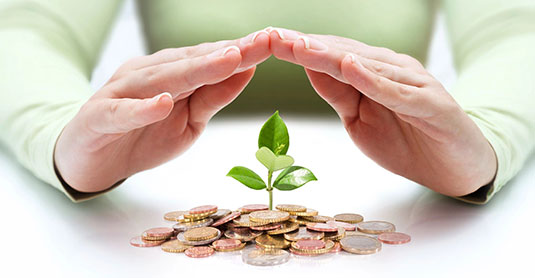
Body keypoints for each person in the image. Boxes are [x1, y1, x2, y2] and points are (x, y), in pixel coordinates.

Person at [0, 0, 533, 204]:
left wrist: (482, 142)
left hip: (403, 185)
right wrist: (63, 138)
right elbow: (25, 27)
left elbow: (515, 30)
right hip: (162, 171)